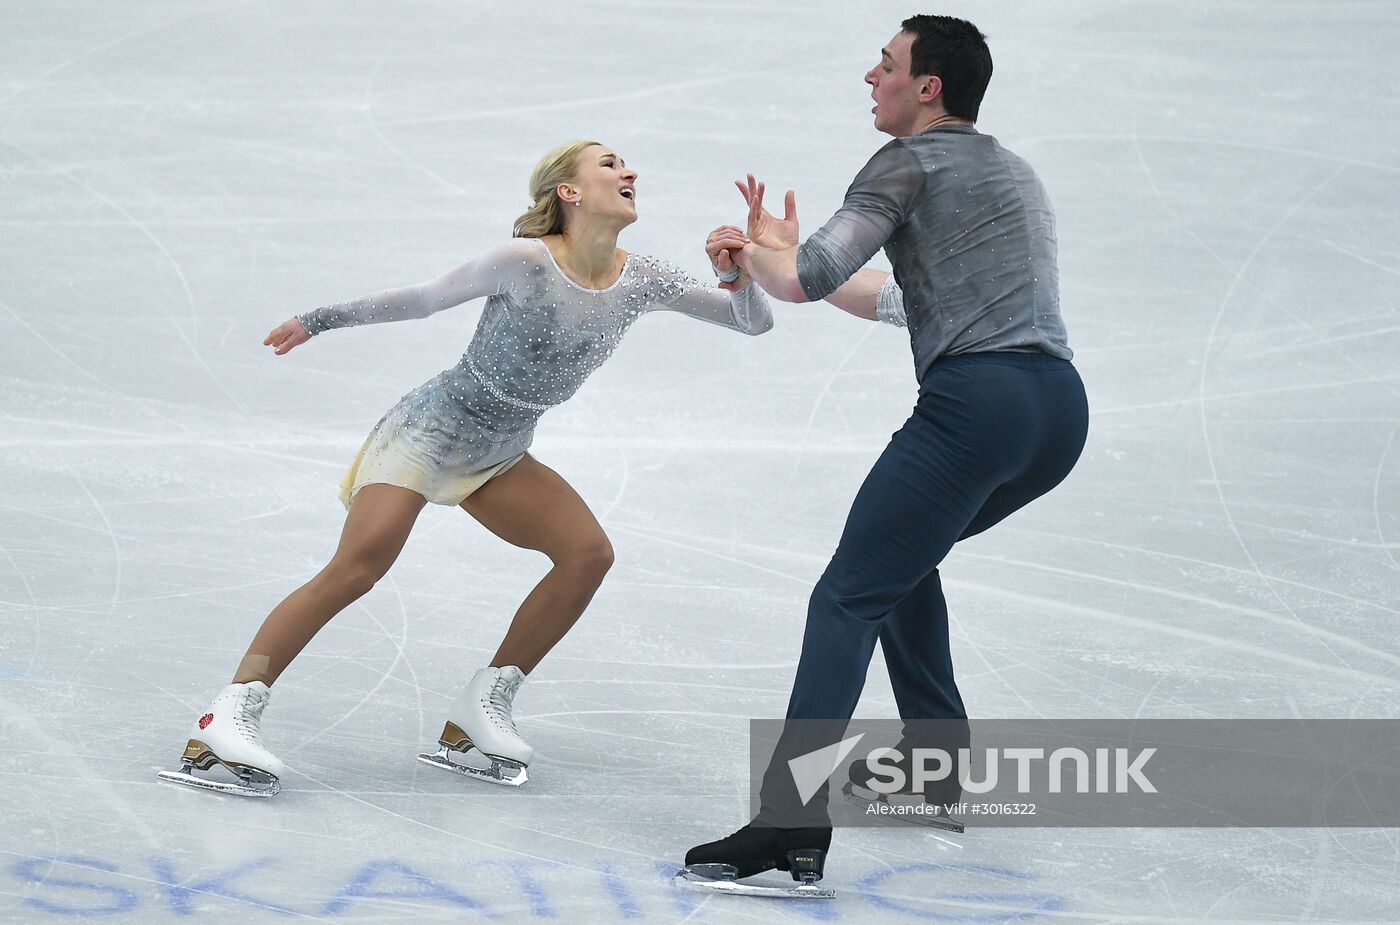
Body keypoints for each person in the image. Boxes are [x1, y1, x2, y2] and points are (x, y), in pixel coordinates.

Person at [157, 140, 771, 796]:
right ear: (569, 191)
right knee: (359, 565)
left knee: (588, 554)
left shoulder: (644, 277)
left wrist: (740, 274)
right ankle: (226, 714)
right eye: (610, 164)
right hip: (431, 431)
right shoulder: (526, 263)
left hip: (500, 451)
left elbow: (751, 323)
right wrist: (318, 319)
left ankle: (481, 710)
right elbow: (423, 300)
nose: (630, 172)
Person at [681, 15, 1089, 891]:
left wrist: (754, 254)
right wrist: (782, 257)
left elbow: (802, 281)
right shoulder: (1012, 172)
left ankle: (790, 817)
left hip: (974, 408)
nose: (872, 76)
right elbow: (881, 293)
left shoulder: (905, 161)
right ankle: (938, 767)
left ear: (929, 86)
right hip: (1057, 414)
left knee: (845, 595)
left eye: (888, 63)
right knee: (903, 560)